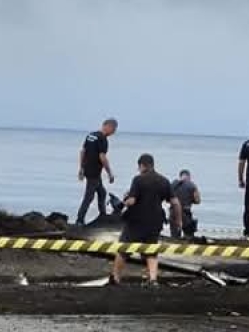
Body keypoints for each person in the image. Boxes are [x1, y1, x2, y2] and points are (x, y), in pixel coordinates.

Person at [109, 154, 181, 286]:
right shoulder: (164, 181)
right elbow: (175, 203)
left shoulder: (138, 180)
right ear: (152, 165)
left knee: (124, 249)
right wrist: (178, 221)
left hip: (136, 220)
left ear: (142, 165)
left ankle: (116, 278)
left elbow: (132, 201)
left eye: (139, 167)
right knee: (151, 251)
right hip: (155, 222)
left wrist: (122, 202)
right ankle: (153, 279)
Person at [75, 118, 118, 225]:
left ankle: (102, 215)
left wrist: (81, 168)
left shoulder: (91, 135)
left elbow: (82, 152)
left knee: (102, 193)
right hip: (94, 172)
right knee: (89, 196)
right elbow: (102, 157)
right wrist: (110, 173)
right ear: (108, 126)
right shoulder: (102, 139)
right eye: (114, 130)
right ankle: (79, 219)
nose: (114, 133)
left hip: (88, 169)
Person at [170, 169, 201, 239]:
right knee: (189, 236)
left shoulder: (173, 184)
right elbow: (198, 201)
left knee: (174, 237)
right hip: (186, 213)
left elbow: (168, 198)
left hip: (173, 213)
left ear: (180, 176)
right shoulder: (192, 185)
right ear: (189, 176)